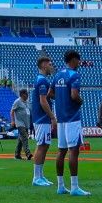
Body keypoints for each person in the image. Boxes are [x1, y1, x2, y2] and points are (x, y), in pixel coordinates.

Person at [51, 49, 87, 195]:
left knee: (61, 151)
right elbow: (74, 95)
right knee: (73, 151)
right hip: (72, 117)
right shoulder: (74, 75)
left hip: (61, 118)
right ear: (73, 60)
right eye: (78, 60)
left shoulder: (57, 74)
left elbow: (50, 93)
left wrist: (61, 100)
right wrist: (80, 101)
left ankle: (60, 186)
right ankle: (74, 187)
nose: (79, 63)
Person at [28, 57, 57, 187]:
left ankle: (40, 175)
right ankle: (36, 177)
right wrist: (52, 117)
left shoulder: (42, 80)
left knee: (45, 145)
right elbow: (43, 101)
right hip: (41, 118)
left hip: (41, 118)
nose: (52, 67)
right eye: (50, 64)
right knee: (41, 145)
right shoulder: (42, 81)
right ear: (44, 65)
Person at [9, 83, 32, 161]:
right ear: (22, 94)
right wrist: (12, 121)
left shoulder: (26, 102)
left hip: (26, 123)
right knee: (25, 137)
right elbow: (12, 111)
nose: (27, 95)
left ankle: (17, 154)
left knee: (21, 139)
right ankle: (28, 153)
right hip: (20, 123)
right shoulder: (17, 101)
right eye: (26, 94)